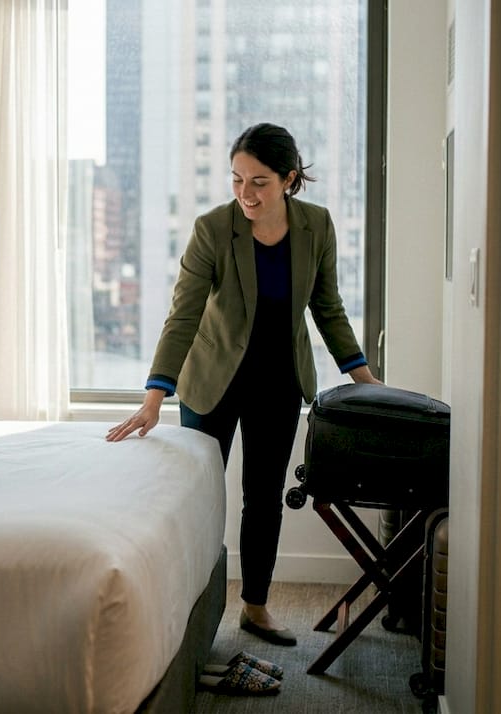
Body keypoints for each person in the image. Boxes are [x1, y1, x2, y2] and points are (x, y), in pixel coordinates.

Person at [106, 122, 381, 646]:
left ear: (288, 179)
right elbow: (183, 315)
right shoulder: (213, 228)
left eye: (258, 181)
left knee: (264, 498)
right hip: (213, 382)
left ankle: (255, 607)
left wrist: (365, 379)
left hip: (279, 383)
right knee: (197, 497)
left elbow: (327, 307)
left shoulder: (316, 226)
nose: (245, 193)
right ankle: (186, 612)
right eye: (236, 179)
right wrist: (153, 398)